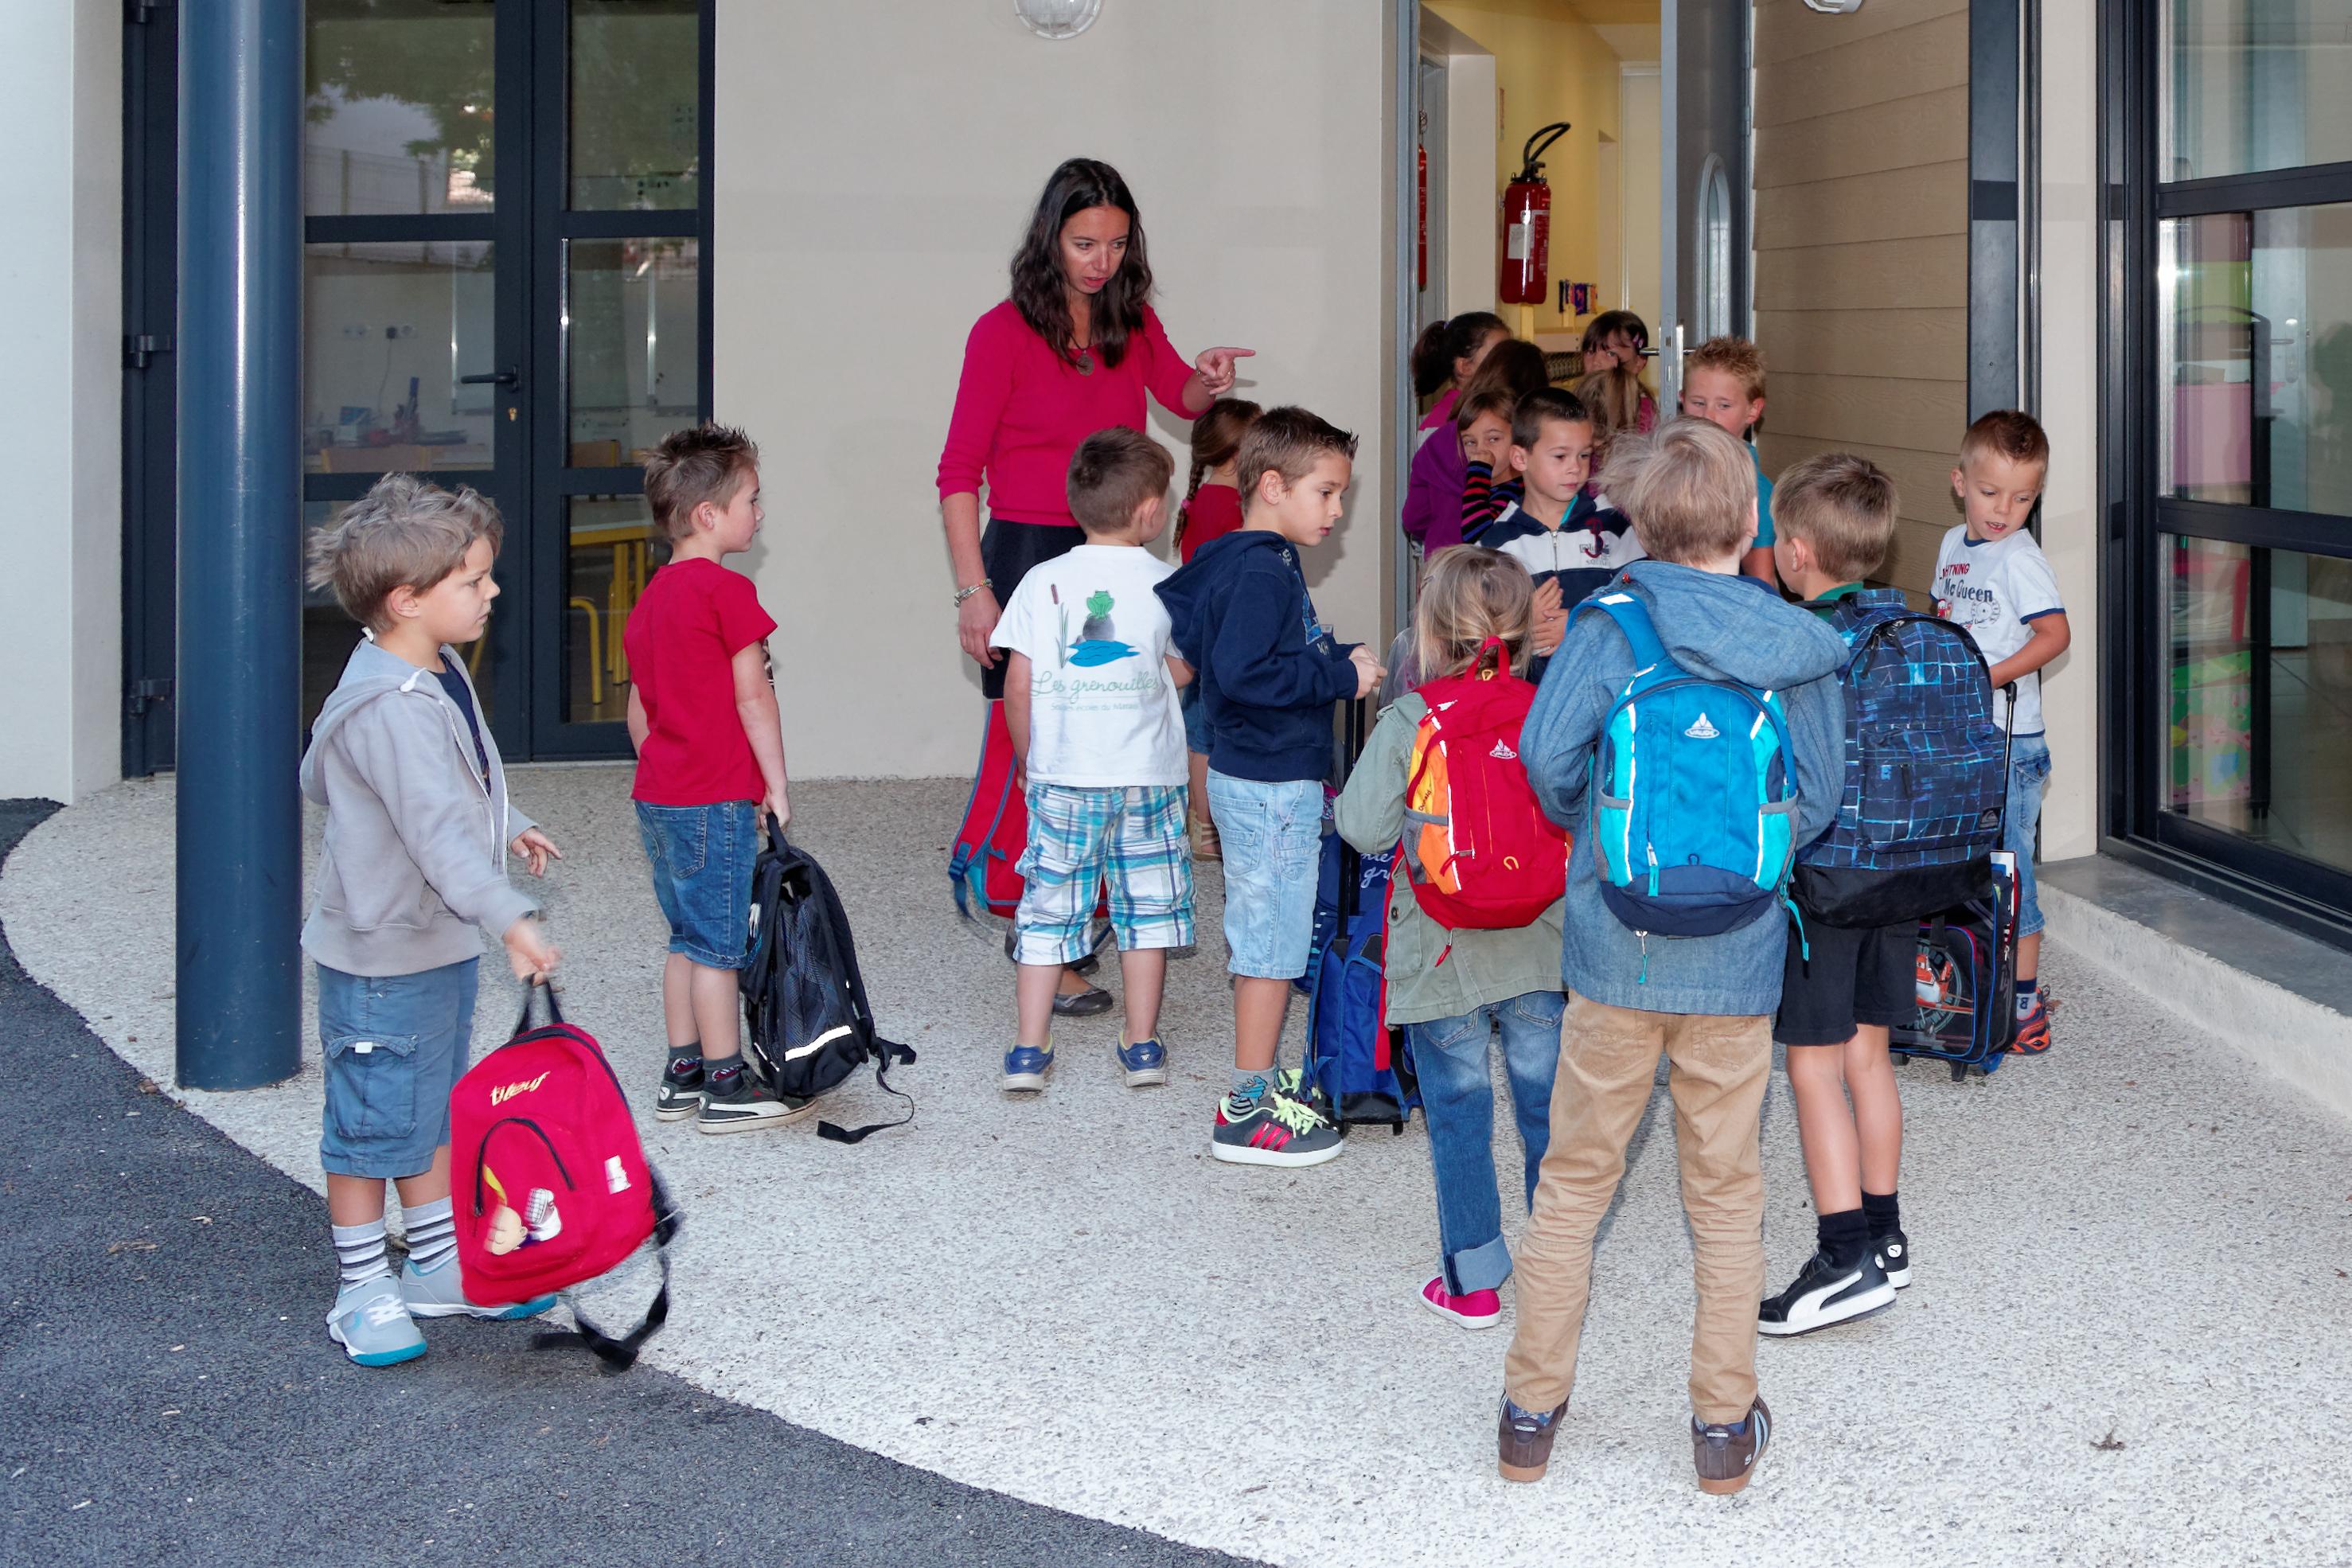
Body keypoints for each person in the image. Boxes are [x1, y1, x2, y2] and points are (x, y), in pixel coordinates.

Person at [1495, 419, 1847, 1495]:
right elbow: (1821, 800)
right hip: (1737, 958)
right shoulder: (1796, 645)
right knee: (1726, 1193)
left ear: (1640, 522)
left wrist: (1602, 839)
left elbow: (1545, 757)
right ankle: (1721, 1431)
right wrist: (1744, 864)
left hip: (1615, 949)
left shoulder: (1609, 626)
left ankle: (1528, 1418)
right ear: (1750, 520)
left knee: (1572, 1183)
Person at [937, 157, 1250, 1016]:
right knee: (1035, 749)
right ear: (1050, 238)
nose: (1100, 261)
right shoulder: (1000, 332)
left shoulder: (1131, 319)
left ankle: (1084, 914)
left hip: (1114, 542)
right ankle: (1037, 921)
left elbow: (1179, 397)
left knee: (1120, 733)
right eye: (1084, 243)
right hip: (1026, 551)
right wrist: (973, 590)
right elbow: (958, 472)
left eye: (1115, 244)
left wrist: (1207, 379)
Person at [300, 473, 564, 1366]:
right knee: (370, 1127)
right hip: (381, 956)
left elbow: (457, 786)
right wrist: (511, 918)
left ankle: (436, 1264)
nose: (492, 591)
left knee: (428, 1110)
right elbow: (436, 837)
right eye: (473, 579)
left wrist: (507, 818)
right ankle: (361, 1289)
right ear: (406, 600)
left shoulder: (431, 668)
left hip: (428, 942)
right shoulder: (391, 707)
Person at [1334, 546, 1565, 1328]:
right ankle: (1556, 1269)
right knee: (1547, 1106)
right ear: (1524, 632)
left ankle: (1472, 1283)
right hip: (1539, 946)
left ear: (1429, 637)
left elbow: (1362, 828)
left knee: (1461, 1114)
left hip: (1440, 951)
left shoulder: (1411, 718)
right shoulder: (1546, 711)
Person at [1157, 407, 1383, 1168]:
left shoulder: (1245, 557)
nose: (1337, 510)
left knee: (1268, 931)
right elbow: (1243, 673)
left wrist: (1333, 655)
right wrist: (1337, 677)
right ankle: (1245, 1109)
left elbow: (1230, 649)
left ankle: (1260, 1079)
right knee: (1271, 945)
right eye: (1326, 493)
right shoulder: (1261, 570)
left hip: (1256, 775)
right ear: (1274, 486)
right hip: (1269, 784)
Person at [1754, 451, 1917, 1336]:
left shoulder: (1798, 644)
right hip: (1899, 875)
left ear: (1799, 553)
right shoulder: (1907, 627)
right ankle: (1887, 1236)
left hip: (1825, 883)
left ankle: (1842, 1254)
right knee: (1868, 1059)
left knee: (1811, 1066)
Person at [991, 427, 1196, 1093]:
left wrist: (1031, 761)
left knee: (1047, 907)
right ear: (1150, 511)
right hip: (1147, 779)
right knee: (1147, 911)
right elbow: (1183, 670)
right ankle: (1142, 1045)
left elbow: (1017, 687)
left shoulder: (1040, 580)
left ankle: (1028, 1050)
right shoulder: (1169, 583)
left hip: (1064, 776)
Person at [627, 424, 800, 1134]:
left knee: (685, 937)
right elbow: (754, 697)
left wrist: (665, 763)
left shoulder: (651, 598)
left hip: (660, 797)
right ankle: (727, 1084)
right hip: (713, 798)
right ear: (708, 515)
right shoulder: (727, 592)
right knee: (719, 949)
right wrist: (775, 785)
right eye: (750, 500)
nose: (759, 513)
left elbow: (639, 710)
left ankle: (684, 1071)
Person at [1933, 409, 2067, 1055]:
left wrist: (1986, 677)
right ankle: (1979, 982)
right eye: (1990, 493)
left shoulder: (2020, 558)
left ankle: (2024, 1005)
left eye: (2021, 498)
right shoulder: (1950, 546)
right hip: (1965, 736)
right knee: (1970, 865)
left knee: (2010, 873)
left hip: (2011, 744)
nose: (2003, 510)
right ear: (1960, 482)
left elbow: (2054, 635)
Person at [1476, 388, 1637, 682]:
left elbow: (1641, 607)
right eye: (1560, 456)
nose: (1575, 468)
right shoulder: (1495, 545)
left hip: (1606, 694)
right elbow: (1477, 644)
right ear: (1520, 458)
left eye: (1584, 455)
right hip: (1528, 701)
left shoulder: (1613, 526)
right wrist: (1521, 625)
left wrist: (1580, 626)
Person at [1172, 397, 1263, 860]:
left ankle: (1200, 826)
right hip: (1220, 636)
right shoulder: (1231, 507)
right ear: (1239, 453)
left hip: (1198, 633)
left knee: (1197, 736)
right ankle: (1208, 833)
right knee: (1209, 739)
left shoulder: (1203, 498)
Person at [1678, 336, 1781, 587]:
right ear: (1682, 399)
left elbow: (1762, 584)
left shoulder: (1754, 489)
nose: (1708, 416)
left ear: (1753, 410)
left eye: (1724, 406)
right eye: (1698, 403)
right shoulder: (1668, 475)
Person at [1402, 313, 1510, 549]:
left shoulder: (1501, 416)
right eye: (1499, 356)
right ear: (1465, 366)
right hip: (1458, 557)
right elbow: (1417, 514)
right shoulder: (1440, 427)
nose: (1509, 363)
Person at [1453, 340, 1557, 544]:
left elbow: (1478, 537)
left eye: (1493, 439)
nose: (1480, 450)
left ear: (1518, 438)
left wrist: (1478, 474)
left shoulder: (1516, 492)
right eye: (1470, 442)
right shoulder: (1493, 488)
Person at [1574, 310, 1658, 458]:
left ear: (1639, 362)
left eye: (1610, 353)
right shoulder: (1577, 402)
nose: (1596, 362)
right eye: (1590, 352)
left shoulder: (1642, 409)